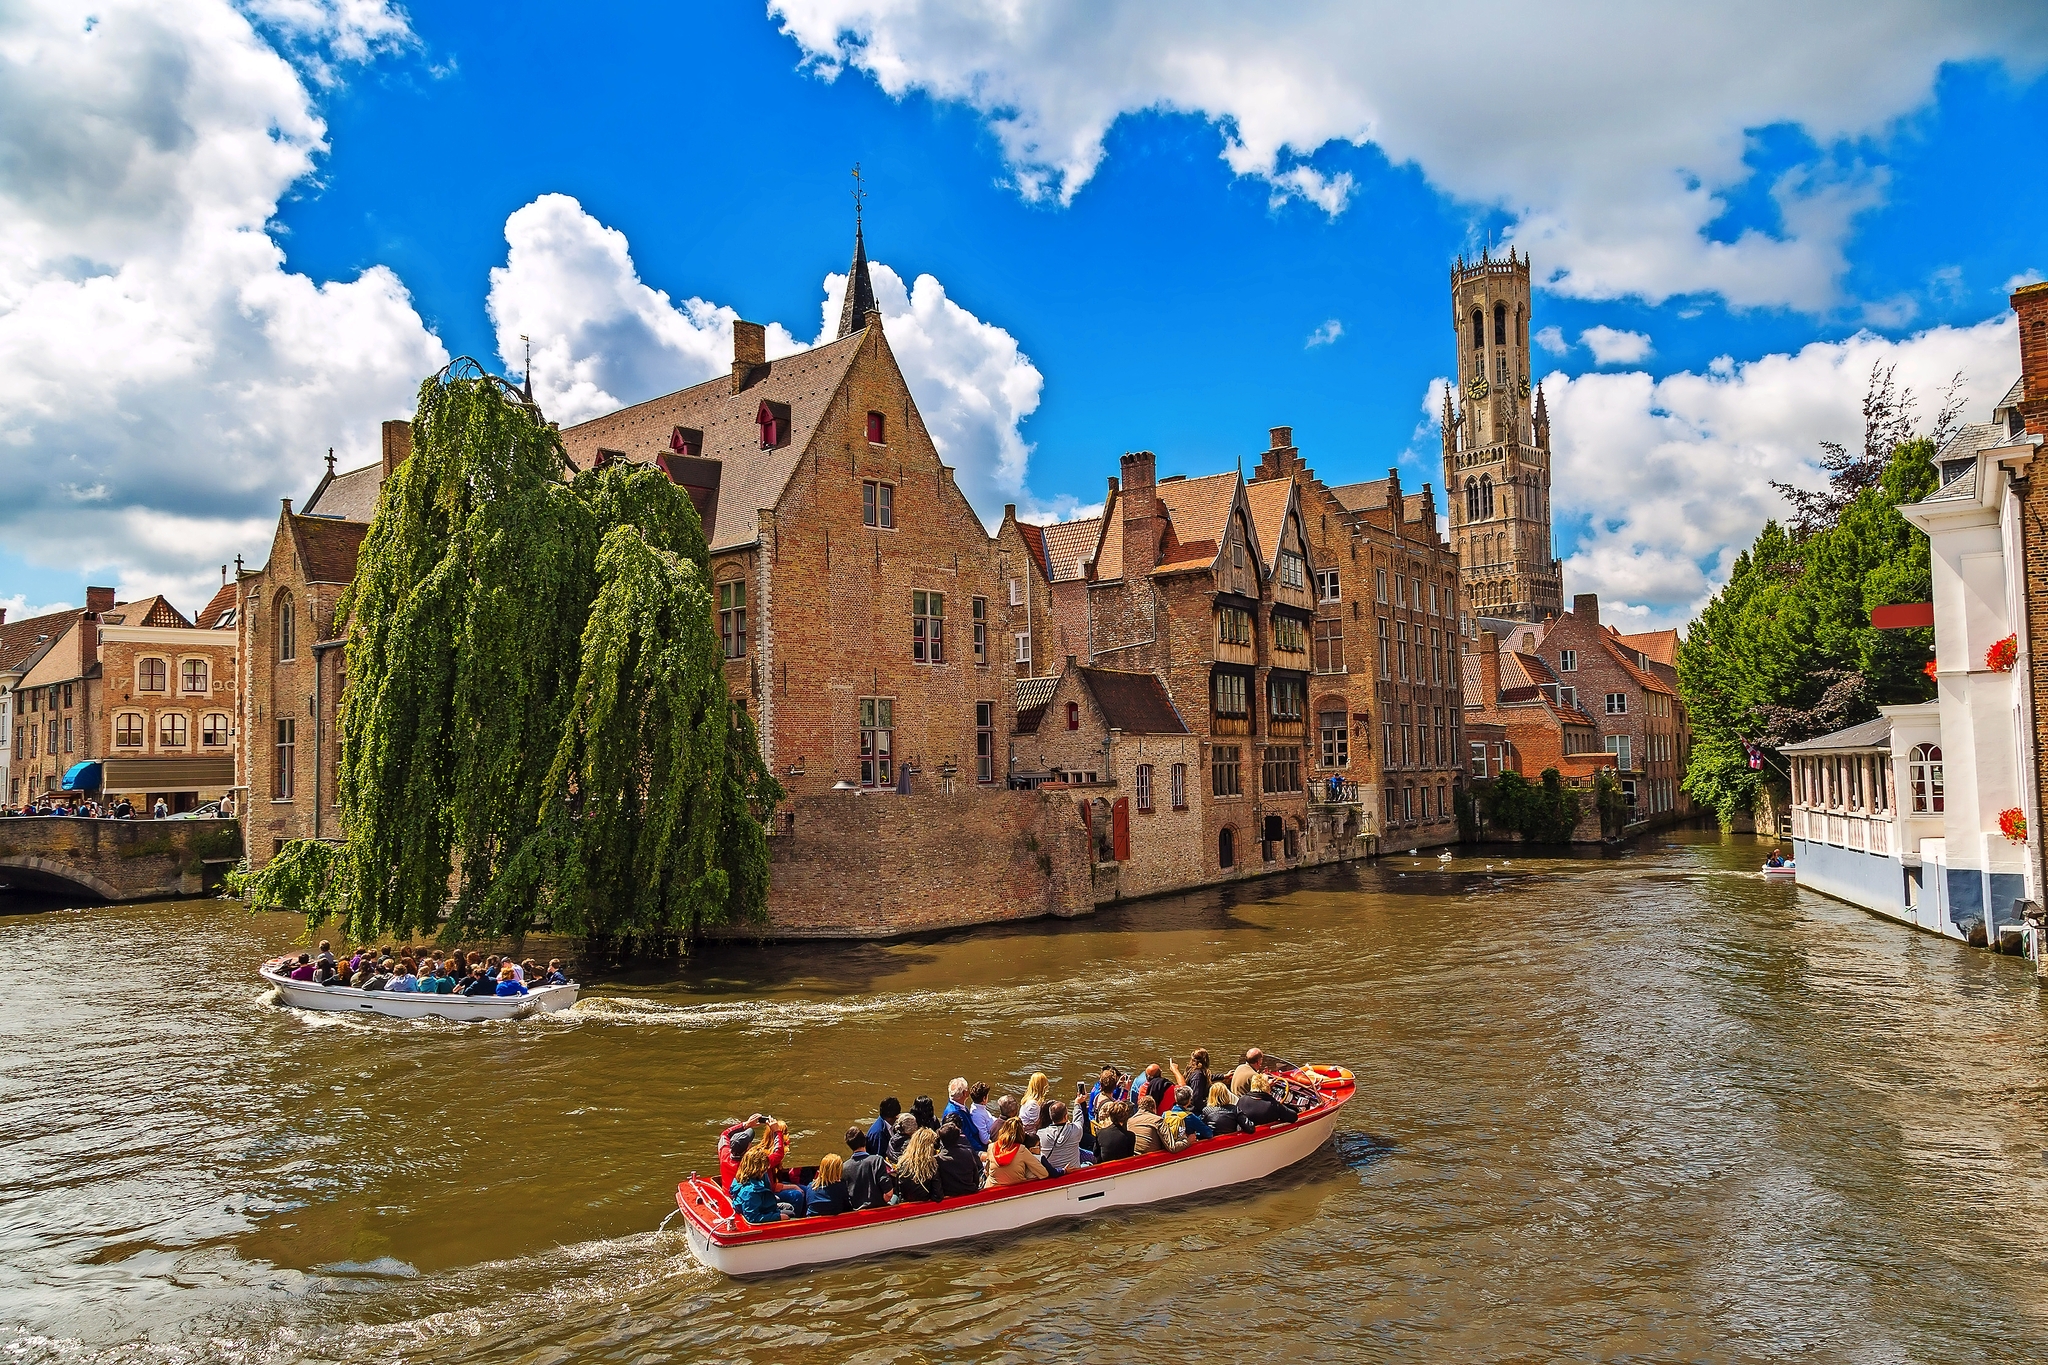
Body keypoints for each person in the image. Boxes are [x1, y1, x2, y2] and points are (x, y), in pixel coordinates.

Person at [729, 1144, 796, 1224]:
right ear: (758, 1169)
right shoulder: (750, 1191)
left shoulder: (741, 1179)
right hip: (760, 1213)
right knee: (790, 1214)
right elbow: (753, 1218)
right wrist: (778, 1217)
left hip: (762, 1206)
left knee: (789, 1207)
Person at [983, 1117, 1049, 1188]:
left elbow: (987, 1172)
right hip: (1015, 1190)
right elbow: (1043, 1174)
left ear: (1002, 1130)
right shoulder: (1021, 1150)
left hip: (992, 1189)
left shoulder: (991, 1147)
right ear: (1021, 1134)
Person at [842, 1126, 895, 1210]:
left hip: (856, 1211)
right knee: (895, 1197)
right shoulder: (877, 1160)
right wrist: (882, 1201)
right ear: (865, 1141)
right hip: (879, 1209)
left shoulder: (844, 1167)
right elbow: (888, 1194)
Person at [894, 1128, 944, 1203]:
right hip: (924, 1204)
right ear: (929, 1147)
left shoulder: (902, 1163)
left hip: (905, 1203)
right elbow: (938, 1196)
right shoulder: (931, 1166)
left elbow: (899, 1190)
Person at [1036, 1099, 1085, 1174]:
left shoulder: (1040, 1134)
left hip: (1053, 1173)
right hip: (1074, 1172)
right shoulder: (1076, 1130)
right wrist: (1077, 1104)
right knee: (1089, 1162)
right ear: (1066, 1117)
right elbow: (1079, 1120)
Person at [1234, 1074, 1299, 1128]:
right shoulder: (1272, 1105)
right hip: (1266, 1136)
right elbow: (1293, 1117)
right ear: (1267, 1086)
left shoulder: (1242, 1099)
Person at [935, 1122, 982, 1198]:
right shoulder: (968, 1153)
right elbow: (975, 1176)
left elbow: (937, 1183)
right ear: (958, 1137)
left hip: (949, 1196)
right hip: (970, 1191)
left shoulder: (938, 1160)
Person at [942, 1079, 985, 1154]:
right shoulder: (955, 1114)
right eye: (968, 1088)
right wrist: (983, 1149)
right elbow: (966, 1138)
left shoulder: (960, 1106)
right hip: (971, 1150)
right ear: (965, 1093)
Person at [968, 1082, 996, 1147]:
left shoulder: (979, 1108)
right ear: (984, 1099)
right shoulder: (977, 1116)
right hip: (993, 1137)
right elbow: (985, 1139)